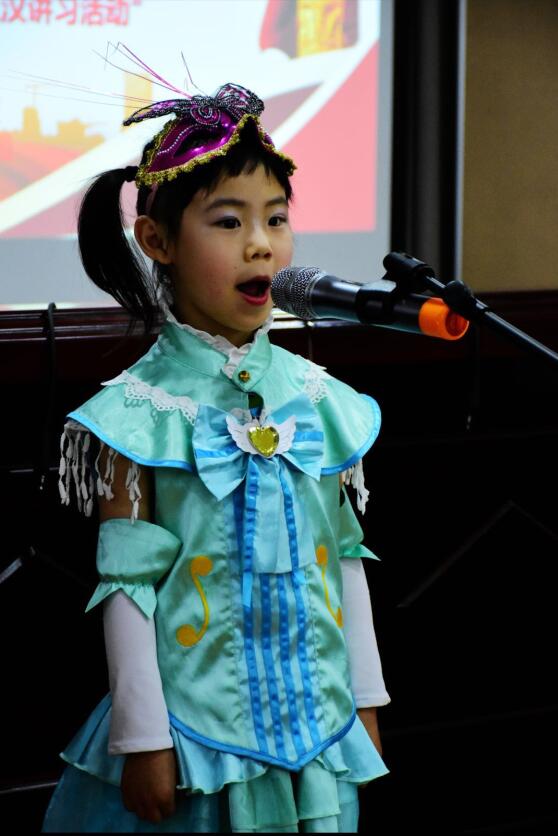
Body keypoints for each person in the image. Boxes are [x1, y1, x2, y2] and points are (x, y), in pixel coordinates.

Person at [43, 81, 390, 833]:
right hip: (194, 741)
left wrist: (365, 699)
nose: (261, 243)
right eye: (229, 222)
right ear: (157, 241)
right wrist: (142, 739)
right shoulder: (135, 413)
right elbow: (128, 584)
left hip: (317, 732)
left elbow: (344, 557)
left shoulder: (320, 400)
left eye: (276, 218)